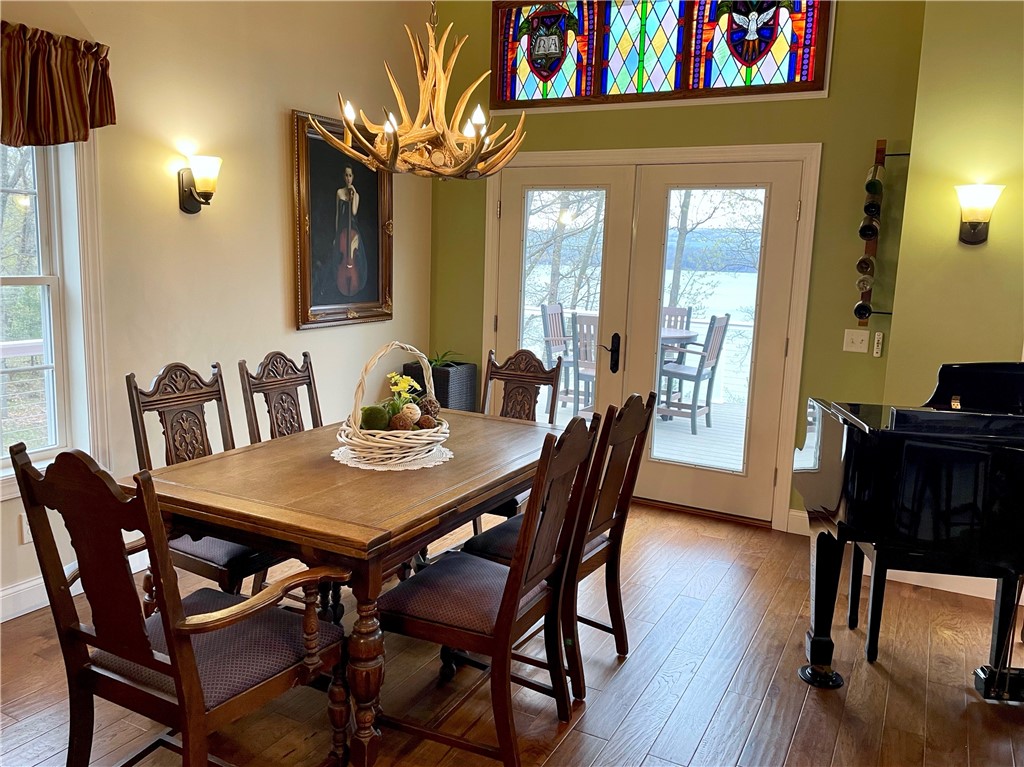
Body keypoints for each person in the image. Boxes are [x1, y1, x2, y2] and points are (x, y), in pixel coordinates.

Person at [334, 164, 366, 296]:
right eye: (346, 175)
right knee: (338, 256)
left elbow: (353, 212)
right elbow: (337, 214)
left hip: (353, 230)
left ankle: (356, 281)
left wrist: (353, 194)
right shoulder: (339, 192)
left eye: (350, 175)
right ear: (344, 176)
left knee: (354, 257)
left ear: (353, 177)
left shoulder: (356, 195)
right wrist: (336, 235)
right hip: (342, 229)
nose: (348, 178)